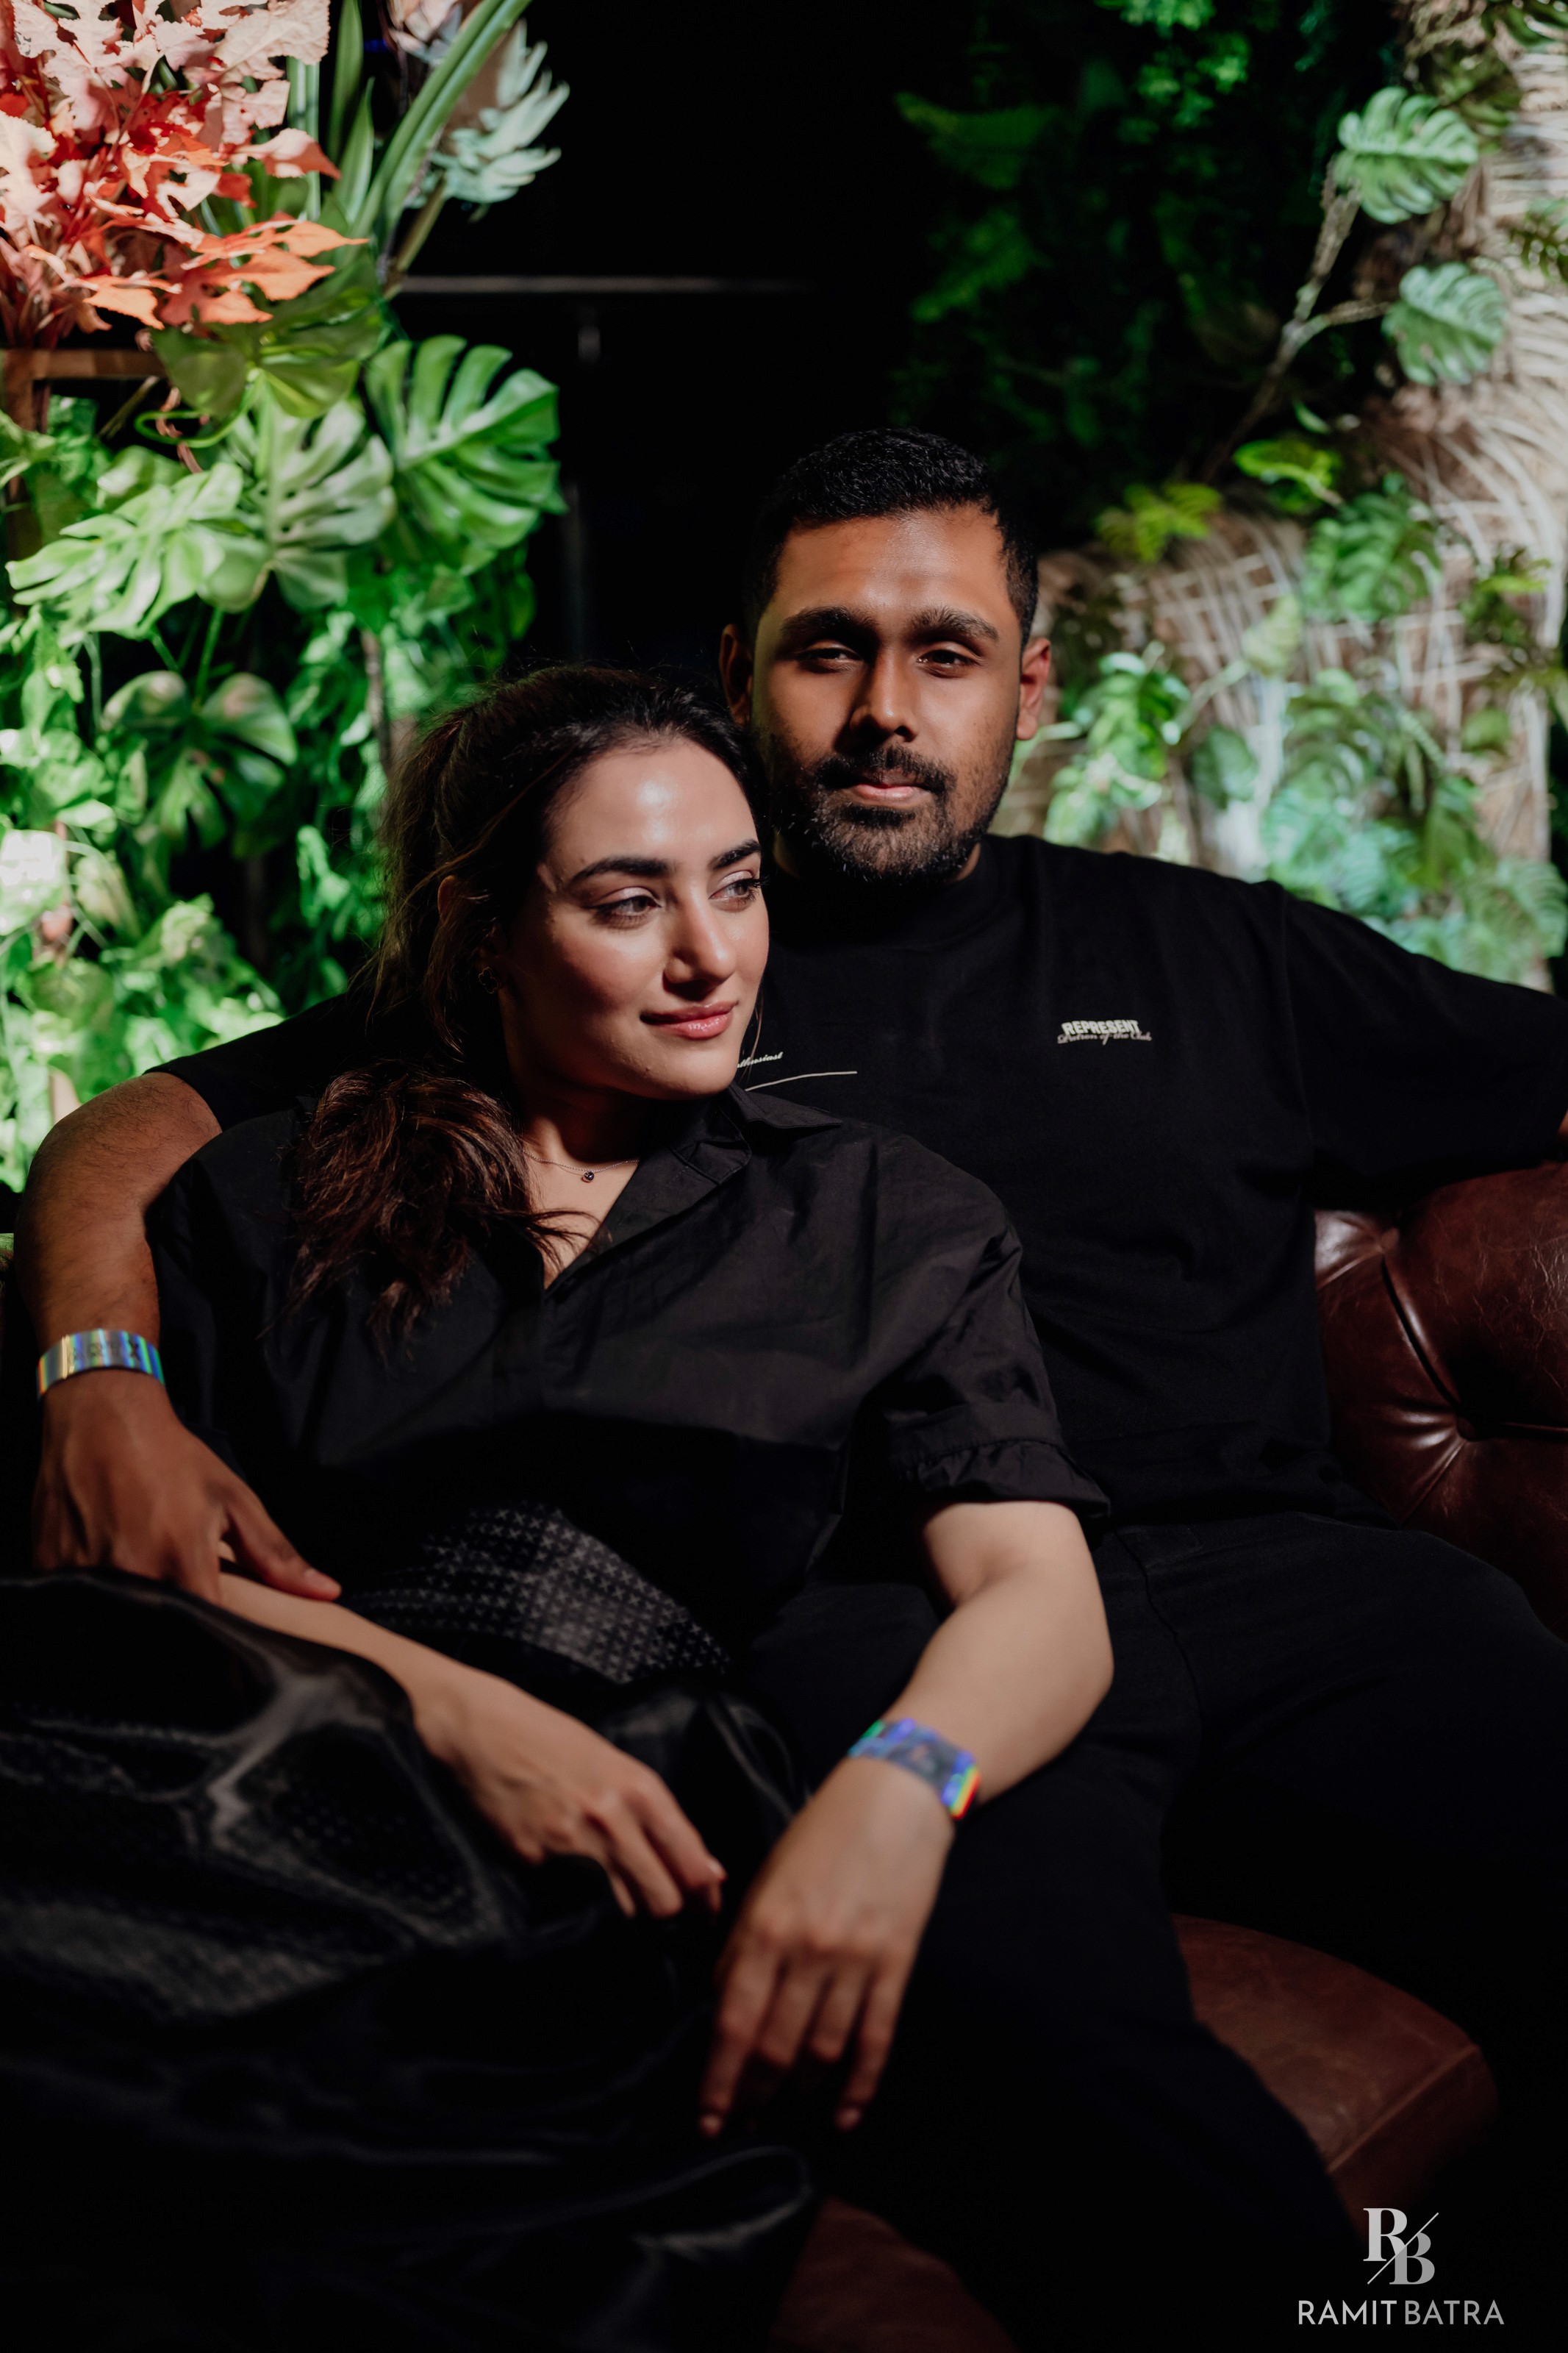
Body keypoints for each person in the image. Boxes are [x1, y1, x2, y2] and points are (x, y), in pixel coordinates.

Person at [15, 431, 1568, 2324]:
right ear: (740, 668)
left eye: (946, 651)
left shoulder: (1206, 949)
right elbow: (133, 1132)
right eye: (830, 649)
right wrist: (98, 1374)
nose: (885, 709)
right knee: (1038, 2049)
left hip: (1277, 1580)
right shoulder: (623, 936)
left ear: (1028, 683)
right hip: (877, 1602)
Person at [1, 666, 1138, 2350]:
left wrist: (900, 1789)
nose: (710, 955)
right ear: (485, 931)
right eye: (627, 901)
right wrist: (452, 1711)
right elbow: (132, 1569)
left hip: (595, 1838)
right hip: (210, 1759)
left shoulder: (879, 1217)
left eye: (736, 884)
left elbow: (1039, 1598)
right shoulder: (270, 1185)